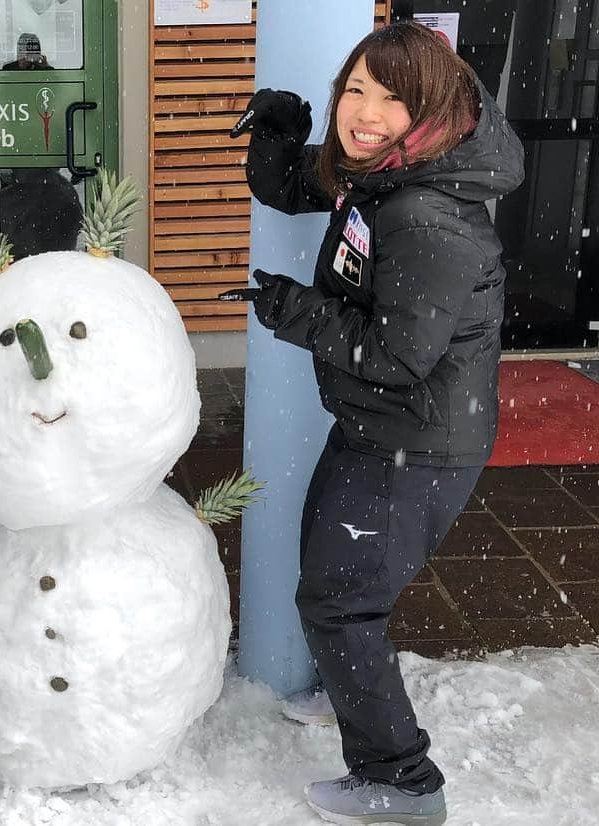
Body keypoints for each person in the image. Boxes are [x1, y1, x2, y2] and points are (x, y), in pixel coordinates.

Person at [241, 22, 523, 825]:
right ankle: (352, 696)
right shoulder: (385, 169)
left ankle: (402, 781)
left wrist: (296, 311)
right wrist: (275, 130)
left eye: (392, 97)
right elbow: (296, 186)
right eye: (355, 89)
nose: (364, 112)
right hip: (379, 427)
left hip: (416, 441)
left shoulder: (425, 212)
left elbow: (401, 356)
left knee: (338, 602)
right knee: (335, 584)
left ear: (430, 108)